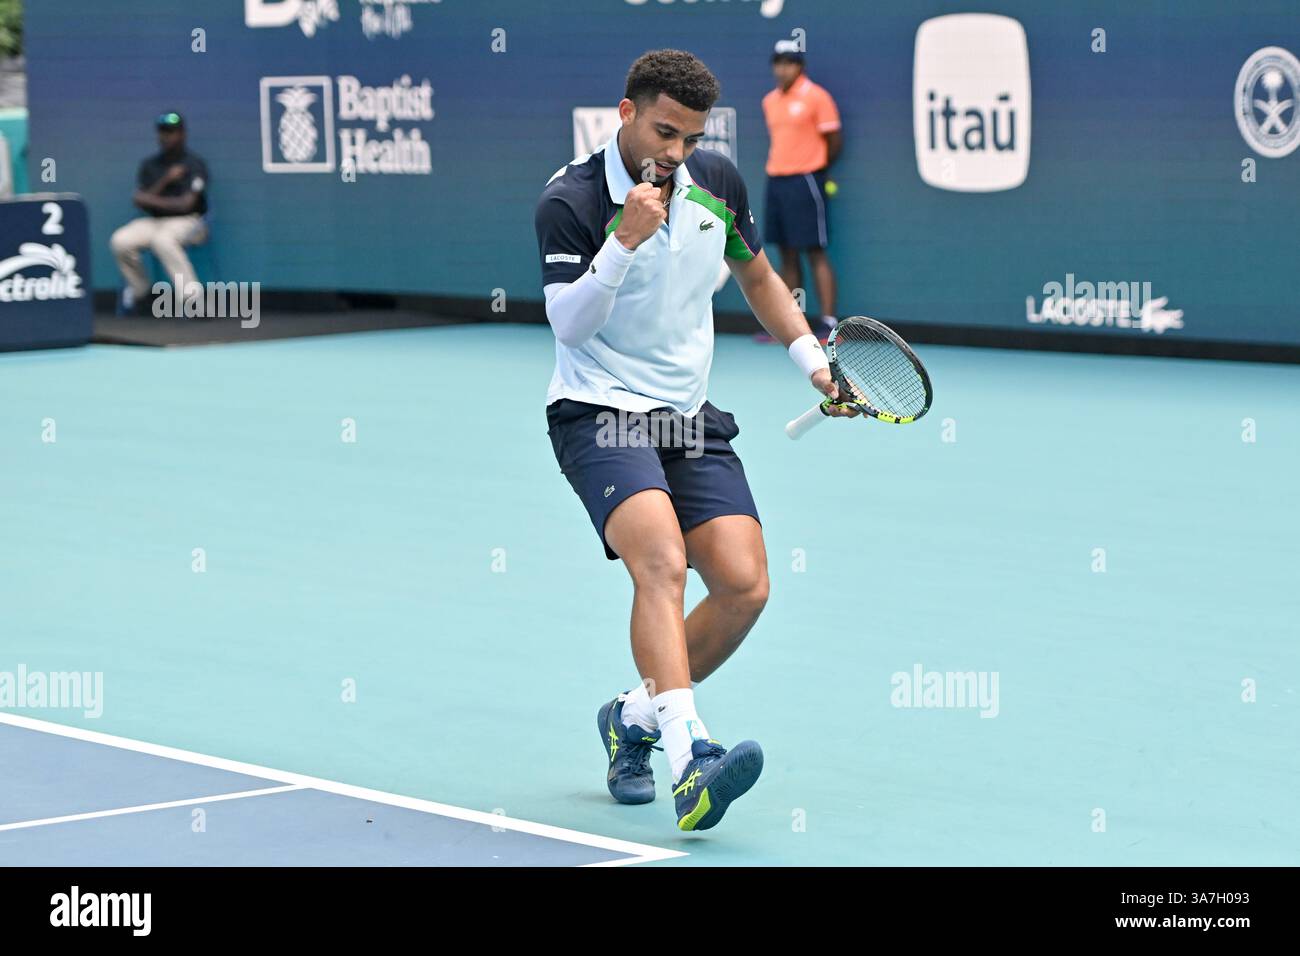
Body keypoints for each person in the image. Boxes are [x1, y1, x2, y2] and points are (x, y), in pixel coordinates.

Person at [534, 49, 857, 832]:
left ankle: (633, 718)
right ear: (626, 113)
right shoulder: (571, 199)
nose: (674, 153)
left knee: (745, 585)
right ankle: (691, 760)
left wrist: (812, 360)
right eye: (663, 132)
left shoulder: (717, 184)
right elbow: (568, 322)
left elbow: (756, 277)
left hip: (687, 415)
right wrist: (622, 244)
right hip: (600, 409)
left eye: (689, 137)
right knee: (662, 563)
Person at [761, 39, 842, 341]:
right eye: (778, 63)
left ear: (800, 66)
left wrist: (815, 167)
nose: (783, 69)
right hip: (777, 181)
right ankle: (793, 324)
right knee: (787, 255)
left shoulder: (817, 97)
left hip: (806, 181)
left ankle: (829, 323)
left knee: (815, 252)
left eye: (789, 62)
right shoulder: (769, 100)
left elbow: (834, 142)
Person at [109, 112, 209, 313]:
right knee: (120, 240)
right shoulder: (150, 165)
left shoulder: (194, 164)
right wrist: (166, 180)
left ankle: (192, 300)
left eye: (172, 132)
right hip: (154, 222)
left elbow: (186, 205)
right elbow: (138, 201)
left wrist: (151, 200)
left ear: (182, 134)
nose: (167, 137)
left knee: (163, 240)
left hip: (190, 222)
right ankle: (142, 292)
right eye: (163, 132)